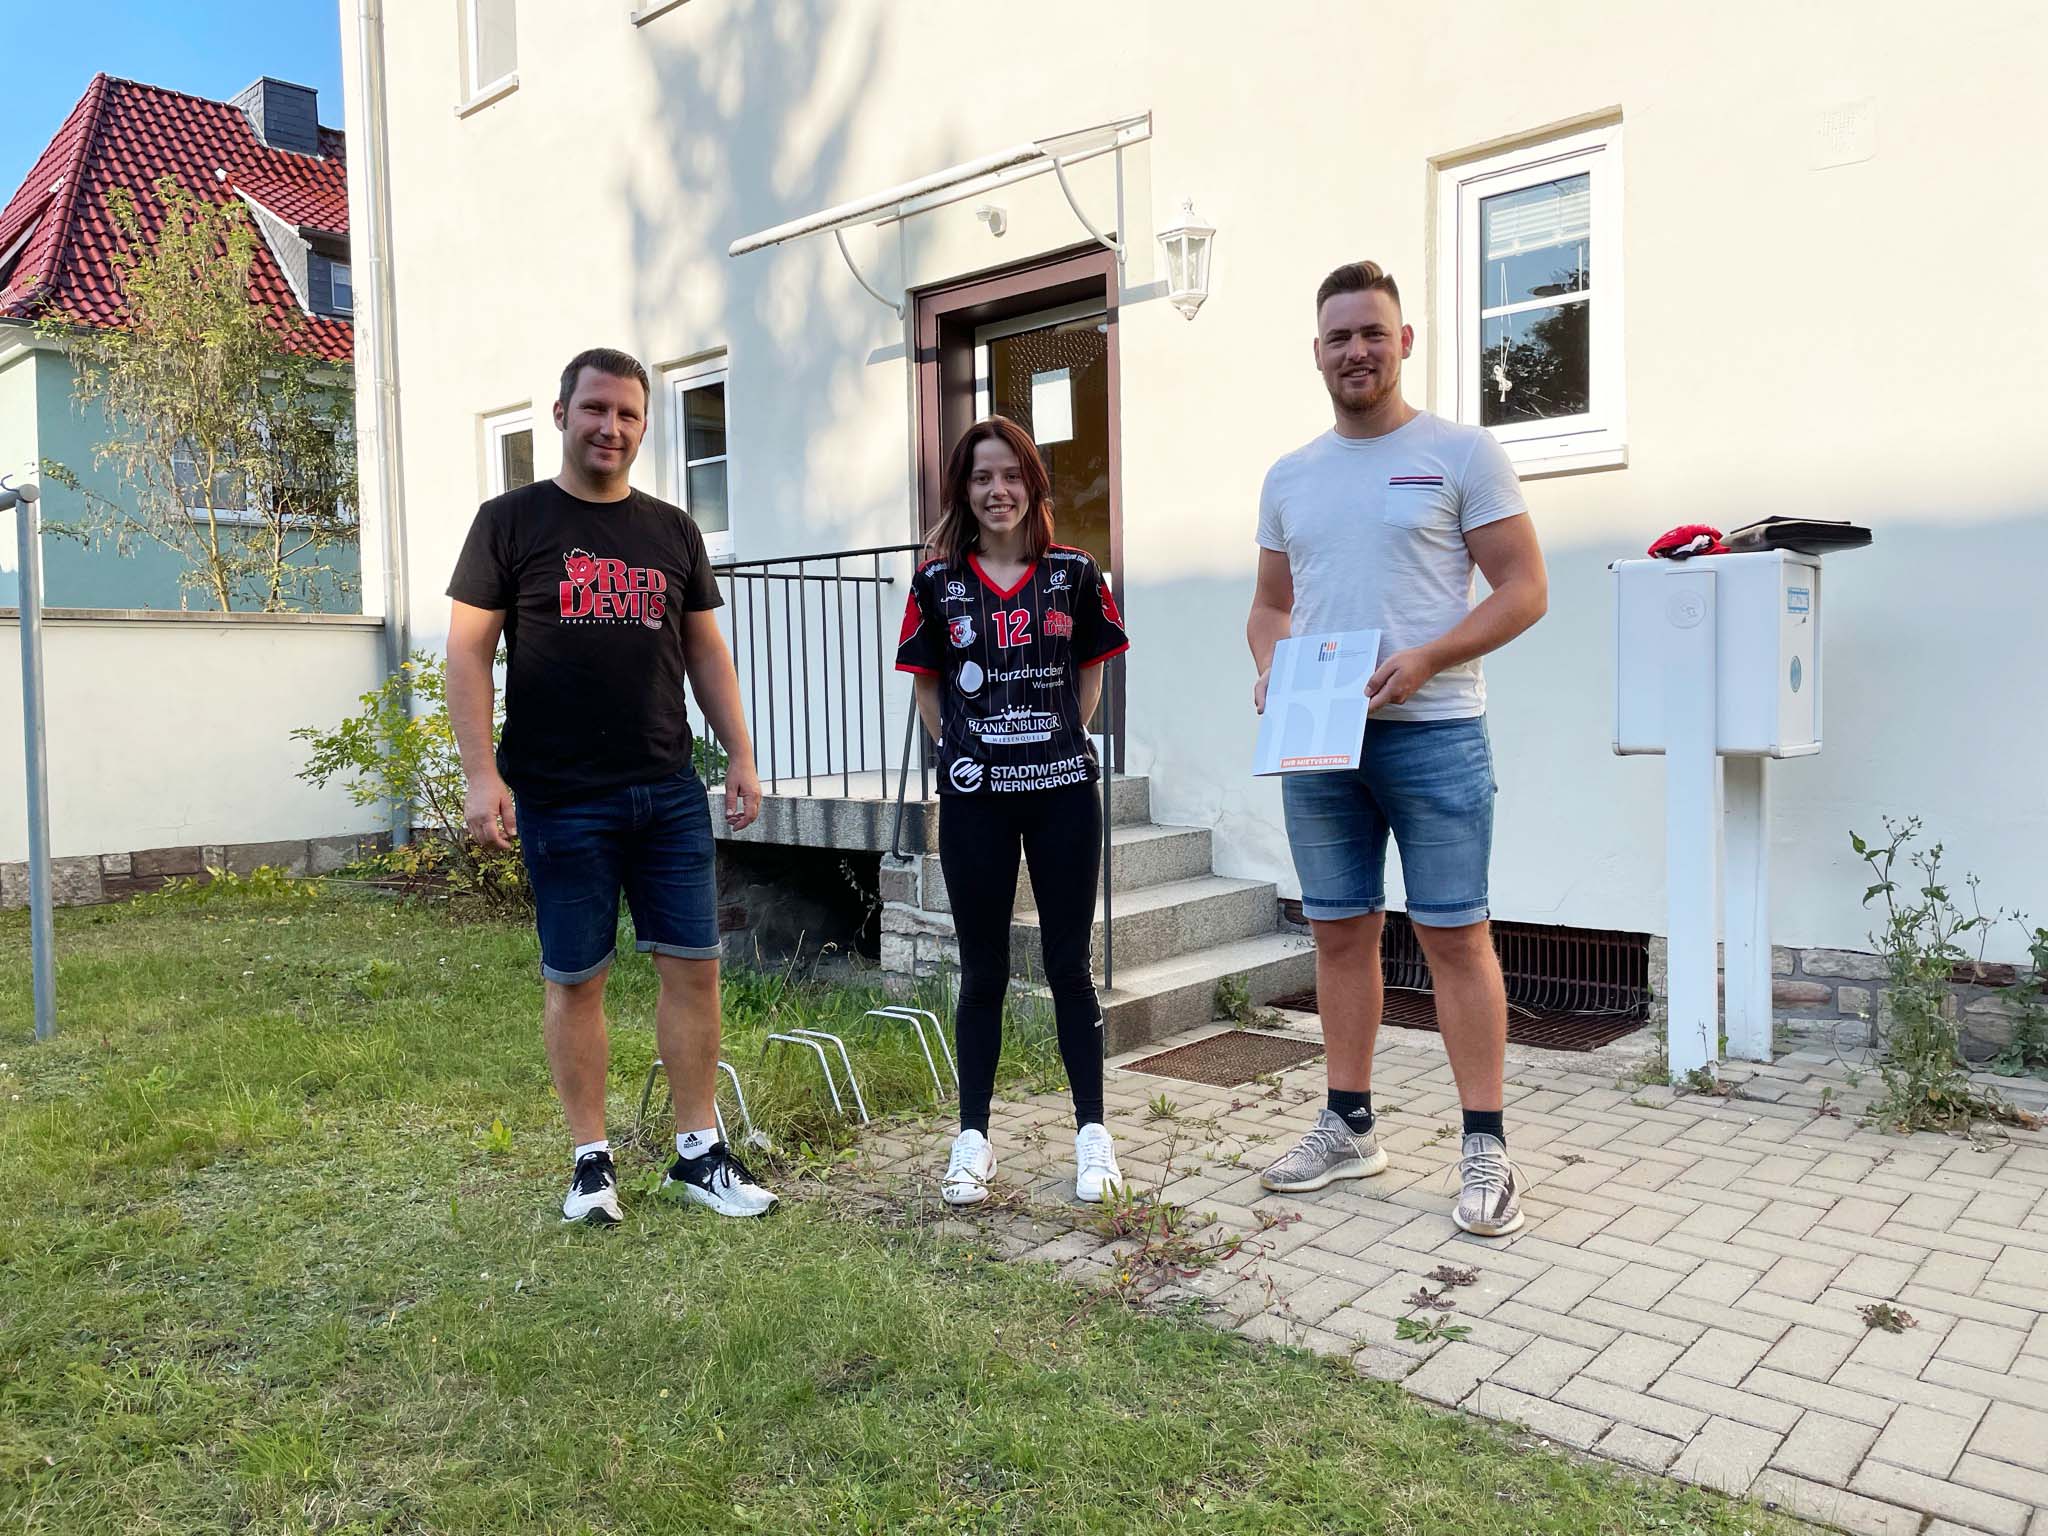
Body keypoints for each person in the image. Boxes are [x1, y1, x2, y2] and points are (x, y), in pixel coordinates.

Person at [1246, 262, 1548, 1237]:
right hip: (1319, 744)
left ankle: (1485, 1145)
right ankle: (1348, 1124)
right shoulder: (1290, 476)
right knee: (1338, 932)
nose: (1356, 352)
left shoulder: (1461, 453)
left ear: (1404, 341)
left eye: (1372, 333)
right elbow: (1271, 605)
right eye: (1338, 337)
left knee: (1454, 936)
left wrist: (1428, 657)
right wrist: (1272, 668)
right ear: (1315, 352)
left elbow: (1523, 589)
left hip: (1437, 733)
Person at [446, 347, 775, 1226]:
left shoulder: (672, 531)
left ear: (643, 424)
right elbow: (468, 651)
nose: (611, 427)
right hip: (561, 796)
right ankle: (591, 1163)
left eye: (628, 413)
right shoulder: (509, 522)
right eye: (595, 408)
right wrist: (481, 775)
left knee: (695, 970)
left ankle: (698, 1154)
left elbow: (705, 651)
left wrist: (740, 755)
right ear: (561, 414)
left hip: (667, 788)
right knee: (576, 978)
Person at [895, 416, 1131, 1207]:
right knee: (984, 969)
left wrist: (1050, 742)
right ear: (964, 491)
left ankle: (1092, 1134)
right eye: (981, 477)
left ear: (1032, 485)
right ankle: (973, 1138)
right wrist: (974, 753)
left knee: (1069, 966)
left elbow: (1090, 674)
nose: (997, 491)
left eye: (1010, 476)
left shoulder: (1075, 573)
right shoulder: (936, 583)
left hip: (1064, 793)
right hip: (975, 801)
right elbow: (929, 688)